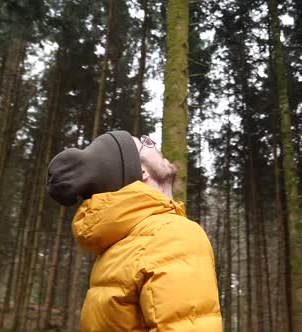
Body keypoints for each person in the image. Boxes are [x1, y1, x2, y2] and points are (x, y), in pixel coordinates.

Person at [46, 130, 222, 332]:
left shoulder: (116, 251)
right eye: (145, 143)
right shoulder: (171, 234)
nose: (154, 145)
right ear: (142, 171)